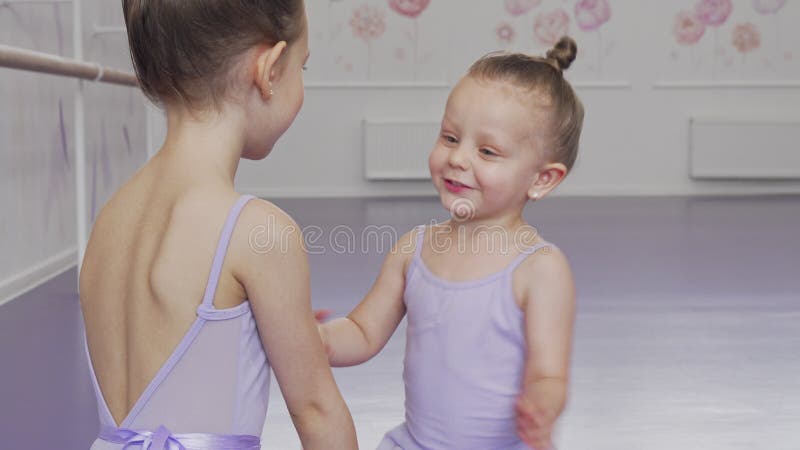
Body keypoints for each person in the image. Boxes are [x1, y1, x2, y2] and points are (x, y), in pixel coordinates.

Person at [79, 1, 357, 449]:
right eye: (303, 67)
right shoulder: (258, 231)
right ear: (268, 69)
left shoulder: (110, 218)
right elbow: (318, 412)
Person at [318, 37, 584, 450]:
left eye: (488, 151)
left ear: (541, 179)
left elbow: (549, 374)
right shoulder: (413, 250)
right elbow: (362, 331)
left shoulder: (540, 269)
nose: (458, 158)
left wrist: (541, 405)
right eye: (449, 137)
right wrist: (316, 339)